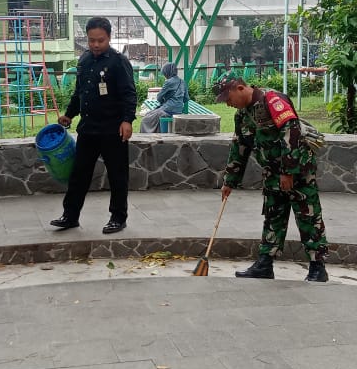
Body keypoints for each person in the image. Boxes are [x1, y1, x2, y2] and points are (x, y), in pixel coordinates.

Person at [215, 72, 329, 282]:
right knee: (273, 216)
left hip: (298, 171)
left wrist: (288, 172)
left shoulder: (274, 101)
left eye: (228, 98)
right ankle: (265, 264)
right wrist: (229, 181)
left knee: (308, 216)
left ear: (240, 88)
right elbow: (239, 147)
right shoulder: (242, 115)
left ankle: (317, 267)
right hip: (272, 173)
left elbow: (291, 132)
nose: (228, 103)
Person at [50, 17, 137, 234]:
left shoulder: (118, 62)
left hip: (113, 129)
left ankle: (118, 217)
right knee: (79, 174)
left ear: (109, 38)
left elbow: (129, 94)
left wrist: (127, 120)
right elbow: (80, 93)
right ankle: (70, 215)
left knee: (117, 175)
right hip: (88, 129)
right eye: (91, 41)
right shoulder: (85, 60)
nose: (95, 45)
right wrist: (69, 114)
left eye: (100, 40)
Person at [140, 62, 189, 133]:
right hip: (178, 110)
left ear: (167, 72)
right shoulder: (183, 82)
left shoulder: (168, 82)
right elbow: (186, 98)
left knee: (146, 119)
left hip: (167, 110)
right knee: (152, 115)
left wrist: (165, 100)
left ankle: (147, 137)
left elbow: (159, 97)